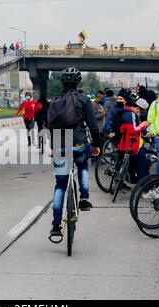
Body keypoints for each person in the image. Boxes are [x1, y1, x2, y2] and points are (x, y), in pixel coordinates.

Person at [49, 67, 101, 237]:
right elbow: (93, 125)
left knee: (60, 185)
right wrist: (96, 145)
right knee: (83, 166)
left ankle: (56, 226)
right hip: (78, 141)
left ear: (62, 82)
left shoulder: (55, 100)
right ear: (79, 82)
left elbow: (49, 125)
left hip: (59, 143)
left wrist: (53, 146)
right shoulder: (84, 99)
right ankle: (84, 199)